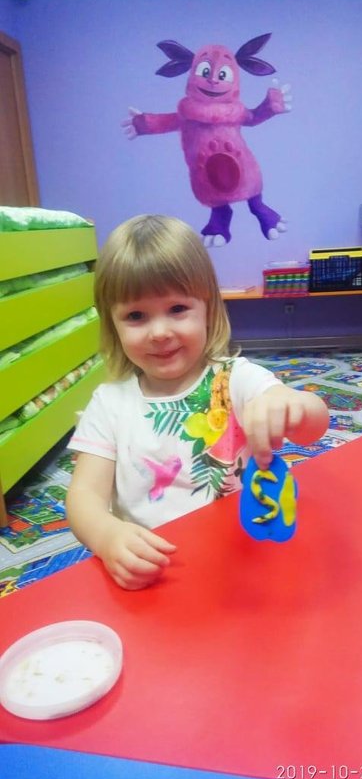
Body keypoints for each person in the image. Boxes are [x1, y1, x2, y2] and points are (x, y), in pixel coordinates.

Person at [66, 215, 329, 590]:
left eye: (177, 309)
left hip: (241, 561)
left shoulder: (235, 378)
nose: (160, 332)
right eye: (136, 316)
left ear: (207, 308)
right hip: (158, 571)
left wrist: (290, 403)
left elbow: (313, 427)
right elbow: (84, 495)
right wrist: (107, 536)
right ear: (113, 325)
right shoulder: (109, 403)